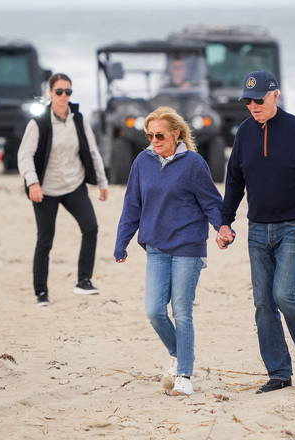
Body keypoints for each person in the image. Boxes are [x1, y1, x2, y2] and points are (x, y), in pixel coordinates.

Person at [217, 71, 295, 394]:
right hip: (257, 230)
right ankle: (279, 373)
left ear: (275, 95)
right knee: (263, 303)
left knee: (284, 294)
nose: (253, 106)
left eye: (259, 99)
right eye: (248, 101)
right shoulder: (243, 133)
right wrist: (225, 222)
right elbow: (235, 181)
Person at [114, 106, 223, 397]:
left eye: (159, 135)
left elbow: (212, 202)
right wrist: (122, 240)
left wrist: (222, 228)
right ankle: (178, 354)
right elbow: (132, 204)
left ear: (176, 133)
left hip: (188, 246)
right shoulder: (143, 162)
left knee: (182, 311)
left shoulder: (194, 163)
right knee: (154, 311)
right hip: (156, 246)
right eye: (149, 135)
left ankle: (184, 375)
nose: (154, 140)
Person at [18, 73, 108, 307]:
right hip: (45, 189)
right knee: (45, 241)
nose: (64, 96)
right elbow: (24, 155)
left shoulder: (78, 119)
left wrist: (102, 182)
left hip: (74, 184)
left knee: (91, 228)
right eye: (59, 92)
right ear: (50, 93)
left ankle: (84, 281)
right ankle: (41, 292)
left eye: (68, 92)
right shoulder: (39, 123)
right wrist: (32, 183)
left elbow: (92, 150)